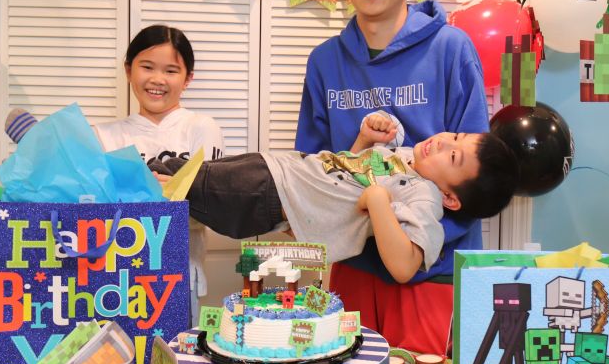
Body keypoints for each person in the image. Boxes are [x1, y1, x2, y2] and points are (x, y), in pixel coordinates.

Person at [295, 0, 491, 354]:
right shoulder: (324, 62)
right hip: (353, 267)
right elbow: (312, 171)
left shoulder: (451, 49)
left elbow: (476, 173)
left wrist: (415, 246)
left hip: (432, 269)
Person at [182, 114, 517, 283]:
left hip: (273, 193)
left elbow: (404, 267)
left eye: (454, 157)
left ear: (450, 198)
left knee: (179, 187)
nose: (443, 142)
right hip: (275, 169)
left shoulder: (425, 197)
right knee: (182, 175)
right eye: (455, 136)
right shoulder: (404, 157)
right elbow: (346, 181)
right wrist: (365, 140)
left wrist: (378, 200)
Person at [94, 24, 224, 323]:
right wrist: (157, 195)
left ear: (188, 78)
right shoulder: (102, 136)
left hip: (181, 275)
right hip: (114, 279)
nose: (157, 79)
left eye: (171, 70)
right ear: (129, 70)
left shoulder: (201, 128)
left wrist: (173, 195)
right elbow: (94, 212)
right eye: (147, 67)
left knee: (178, 353)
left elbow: (216, 209)